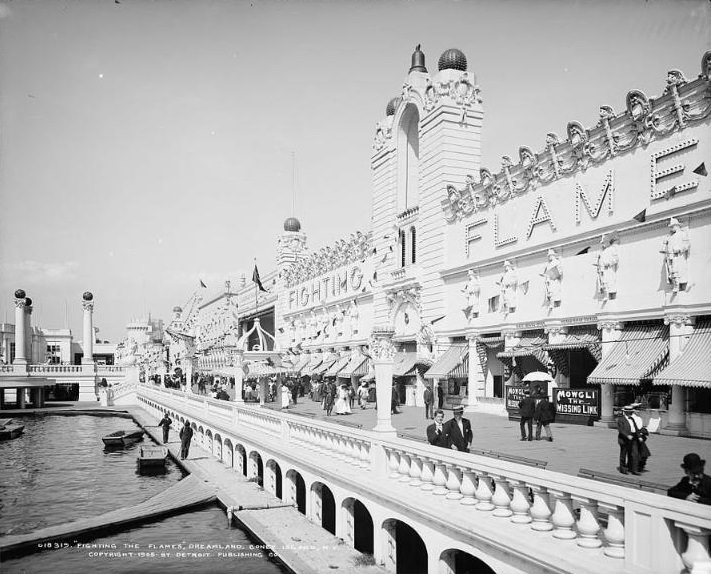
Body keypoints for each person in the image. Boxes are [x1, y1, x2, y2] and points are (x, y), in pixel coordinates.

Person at [617, 405, 640, 475]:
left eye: (631, 412)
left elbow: (635, 428)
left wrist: (639, 436)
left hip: (633, 438)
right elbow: (621, 430)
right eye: (629, 412)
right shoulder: (621, 419)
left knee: (634, 454)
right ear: (626, 412)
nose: (631, 413)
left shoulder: (632, 419)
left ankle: (633, 469)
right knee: (624, 454)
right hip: (624, 439)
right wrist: (627, 435)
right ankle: (623, 468)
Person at [631, 403, 651, 471]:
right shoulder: (631, 418)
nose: (638, 411)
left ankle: (640, 466)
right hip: (634, 437)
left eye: (639, 410)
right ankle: (635, 467)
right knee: (636, 453)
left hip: (640, 437)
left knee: (644, 453)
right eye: (636, 410)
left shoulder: (639, 418)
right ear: (633, 410)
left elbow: (640, 427)